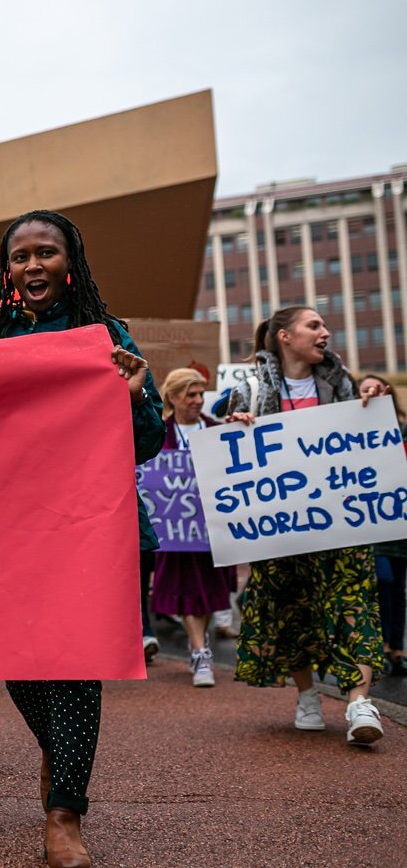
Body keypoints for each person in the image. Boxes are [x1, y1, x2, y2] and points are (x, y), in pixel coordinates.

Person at [0, 210, 163, 868]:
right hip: (13, 534)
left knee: (71, 662)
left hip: (88, 530)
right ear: (5, 270)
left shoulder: (104, 333)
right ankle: (59, 749)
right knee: (19, 661)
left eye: (46, 253)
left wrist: (132, 395)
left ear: (71, 263)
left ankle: (64, 813)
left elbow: (149, 442)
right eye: (20, 257)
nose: (32, 266)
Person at [223, 310, 390, 748]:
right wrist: (235, 428)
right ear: (285, 336)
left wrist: (372, 400)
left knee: (357, 603)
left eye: (324, 327)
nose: (325, 333)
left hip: (343, 523)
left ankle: (359, 703)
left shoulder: (343, 383)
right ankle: (307, 696)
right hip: (281, 530)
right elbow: (229, 456)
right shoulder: (250, 387)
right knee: (288, 609)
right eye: (314, 326)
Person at [149, 368, 238, 687]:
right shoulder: (158, 434)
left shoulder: (216, 430)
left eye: (201, 394)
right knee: (186, 590)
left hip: (212, 530)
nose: (198, 401)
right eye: (191, 394)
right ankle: (200, 650)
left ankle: (199, 645)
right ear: (172, 397)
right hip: (176, 532)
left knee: (210, 590)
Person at [360, 374, 407, 676]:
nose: (371, 393)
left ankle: (397, 649)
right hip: (369, 523)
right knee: (383, 580)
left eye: (376, 389)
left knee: (398, 588)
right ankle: (382, 644)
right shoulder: (348, 436)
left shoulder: (401, 431)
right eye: (365, 390)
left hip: (400, 522)